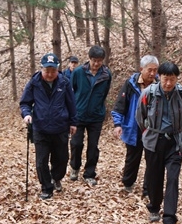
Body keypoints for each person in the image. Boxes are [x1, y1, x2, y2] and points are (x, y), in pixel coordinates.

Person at [137, 59, 182, 224]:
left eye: (172, 79)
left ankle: (169, 219)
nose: (168, 83)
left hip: (175, 142)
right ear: (159, 77)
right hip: (154, 140)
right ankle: (154, 206)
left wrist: (180, 135)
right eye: (165, 79)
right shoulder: (148, 94)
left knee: (173, 179)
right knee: (155, 176)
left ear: (177, 79)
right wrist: (148, 134)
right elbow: (141, 116)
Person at [19, 53, 77, 202]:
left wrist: (73, 122)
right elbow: (25, 102)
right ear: (41, 69)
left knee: (61, 158)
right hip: (40, 128)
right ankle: (46, 187)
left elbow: (71, 104)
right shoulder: (34, 82)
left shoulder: (64, 82)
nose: (50, 74)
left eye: (53, 70)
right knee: (41, 161)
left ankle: (56, 178)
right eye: (47, 70)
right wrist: (26, 114)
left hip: (60, 127)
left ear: (57, 70)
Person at [111, 54, 159, 193]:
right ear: (141, 69)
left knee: (152, 159)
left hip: (152, 128)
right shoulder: (131, 84)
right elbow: (120, 105)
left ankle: (148, 188)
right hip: (134, 126)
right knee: (132, 157)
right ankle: (128, 183)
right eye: (149, 70)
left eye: (155, 70)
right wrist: (118, 124)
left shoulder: (159, 86)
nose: (152, 73)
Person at [69, 45, 112, 187]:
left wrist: (99, 107)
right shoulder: (78, 72)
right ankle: (74, 167)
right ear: (89, 59)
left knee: (93, 146)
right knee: (76, 143)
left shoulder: (106, 75)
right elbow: (71, 91)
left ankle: (89, 173)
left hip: (96, 116)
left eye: (99, 61)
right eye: (94, 60)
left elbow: (104, 93)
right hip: (78, 115)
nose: (96, 63)